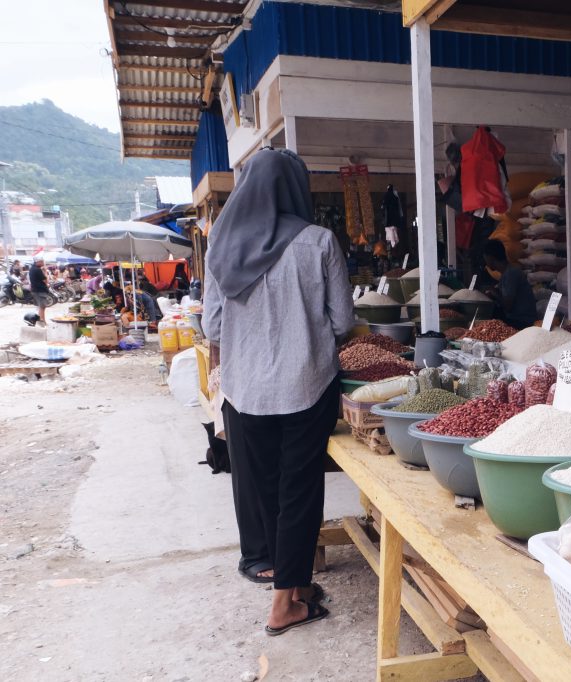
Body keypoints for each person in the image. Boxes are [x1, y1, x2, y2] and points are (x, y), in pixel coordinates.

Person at [203, 148, 353, 636]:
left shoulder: (221, 245)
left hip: (244, 389)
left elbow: (213, 325)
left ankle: (285, 583)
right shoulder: (318, 242)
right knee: (299, 489)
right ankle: (286, 603)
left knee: (263, 485)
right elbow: (343, 322)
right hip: (306, 385)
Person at [482, 239, 537, 329]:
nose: (485, 262)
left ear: (490, 257)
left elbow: (508, 306)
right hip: (516, 320)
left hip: (522, 322)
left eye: (485, 258)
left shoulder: (511, 274)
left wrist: (493, 292)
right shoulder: (506, 274)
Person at [28, 257, 50, 326]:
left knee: (41, 306)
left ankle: (41, 321)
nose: (43, 263)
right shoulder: (37, 270)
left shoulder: (32, 269)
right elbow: (45, 280)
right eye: (42, 261)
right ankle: (42, 322)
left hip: (35, 290)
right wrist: (45, 271)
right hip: (40, 290)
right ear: (38, 262)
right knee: (42, 306)